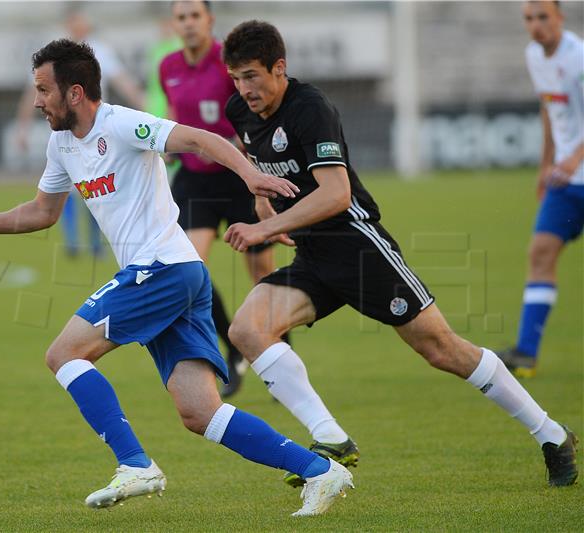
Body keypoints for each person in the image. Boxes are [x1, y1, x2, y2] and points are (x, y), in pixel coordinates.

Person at [0, 39, 354, 516]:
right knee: (199, 413)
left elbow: (201, 140)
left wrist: (250, 176)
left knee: (63, 354)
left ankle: (135, 463)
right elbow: (42, 212)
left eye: (42, 89)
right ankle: (321, 472)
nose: (36, 101)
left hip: (163, 269)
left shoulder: (120, 124)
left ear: (75, 93)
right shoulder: (61, 144)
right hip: (177, 276)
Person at [219, 20, 578, 489]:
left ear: (279, 67)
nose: (244, 89)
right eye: (236, 78)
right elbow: (258, 159)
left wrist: (266, 226)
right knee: (247, 328)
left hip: (358, 247)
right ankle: (332, 439)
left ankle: (551, 435)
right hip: (313, 256)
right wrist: (262, 197)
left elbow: (336, 194)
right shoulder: (239, 111)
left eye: (251, 75)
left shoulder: (311, 109)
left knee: (441, 349)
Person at [160, 0, 288, 397]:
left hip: (237, 179)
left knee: (261, 273)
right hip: (194, 182)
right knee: (190, 269)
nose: (188, 23)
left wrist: (234, 148)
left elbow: (252, 113)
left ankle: (280, 357)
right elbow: (173, 110)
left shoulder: (226, 62)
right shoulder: (168, 67)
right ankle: (232, 348)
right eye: (181, 17)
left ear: (209, 20)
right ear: (175, 24)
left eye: (195, 15)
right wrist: (168, 144)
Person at [14, 7, 146, 258]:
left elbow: (123, 82)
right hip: (64, 131)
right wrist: (22, 128)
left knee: (97, 187)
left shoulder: (100, 51)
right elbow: (32, 93)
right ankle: (72, 242)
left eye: (81, 23)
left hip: (97, 131)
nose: (78, 27)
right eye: (73, 22)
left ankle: (96, 244)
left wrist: (146, 107)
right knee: (66, 187)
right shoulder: (52, 58)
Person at [497, 1, 584, 378]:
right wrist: (546, 164)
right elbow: (549, 110)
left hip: (575, 170)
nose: (536, 25)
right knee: (540, 253)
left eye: (543, 17)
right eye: (529, 19)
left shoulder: (579, 57)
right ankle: (526, 353)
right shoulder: (535, 55)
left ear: (560, 18)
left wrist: (574, 158)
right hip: (565, 184)